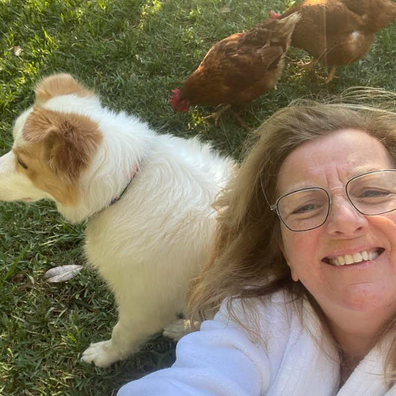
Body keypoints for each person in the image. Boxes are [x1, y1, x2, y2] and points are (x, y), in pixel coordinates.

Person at [118, 96, 396, 395]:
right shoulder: (254, 319)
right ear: (284, 250)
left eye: (373, 191)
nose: (344, 220)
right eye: (304, 207)